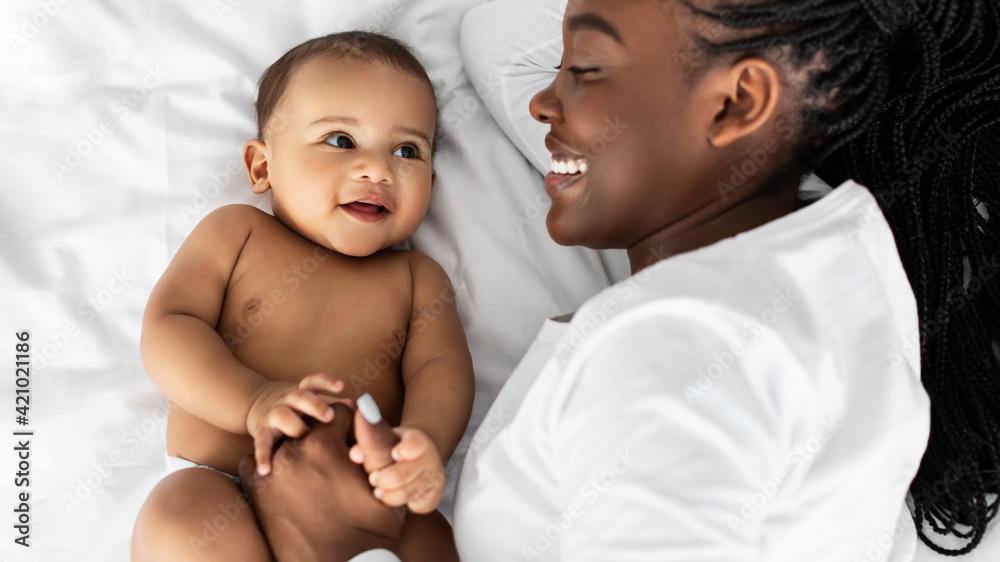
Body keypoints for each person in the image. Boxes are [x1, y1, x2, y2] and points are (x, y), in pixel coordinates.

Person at [240, 0, 1000, 560]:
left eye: (586, 71)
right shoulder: (825, 224)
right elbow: (502, 37)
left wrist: (346, 544)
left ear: (738, 102)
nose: (542, 99)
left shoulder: (677, 369)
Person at [130, 31, 474, 562]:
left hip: (364, 506)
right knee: (178, 513)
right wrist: (254, 401)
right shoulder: (237, 234)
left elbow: (442, 370)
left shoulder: (417, 277)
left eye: (407, 150)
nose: (378, 169)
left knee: (430, 539)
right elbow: (169, 327)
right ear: (262, 167)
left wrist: (422, 445)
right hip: (223, 485)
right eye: (341, 140)